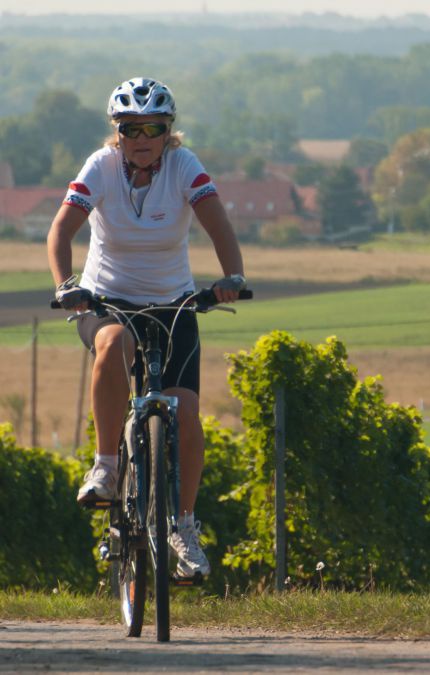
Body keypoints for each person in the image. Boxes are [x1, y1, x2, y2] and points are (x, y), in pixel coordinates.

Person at [46, 77, 245, 579]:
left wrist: (232, 277)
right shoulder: (101, 167)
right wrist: (66, 284)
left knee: (188, 413)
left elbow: (218, 225)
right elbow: (61, 230)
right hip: (106, 300)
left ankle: (182, 526)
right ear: (118, 131)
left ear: (167, 131)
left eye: (152, 127)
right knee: (112, 341)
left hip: (173, 304)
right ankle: (107, 467)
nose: (141, 137)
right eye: (131, 127)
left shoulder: (183, 166)